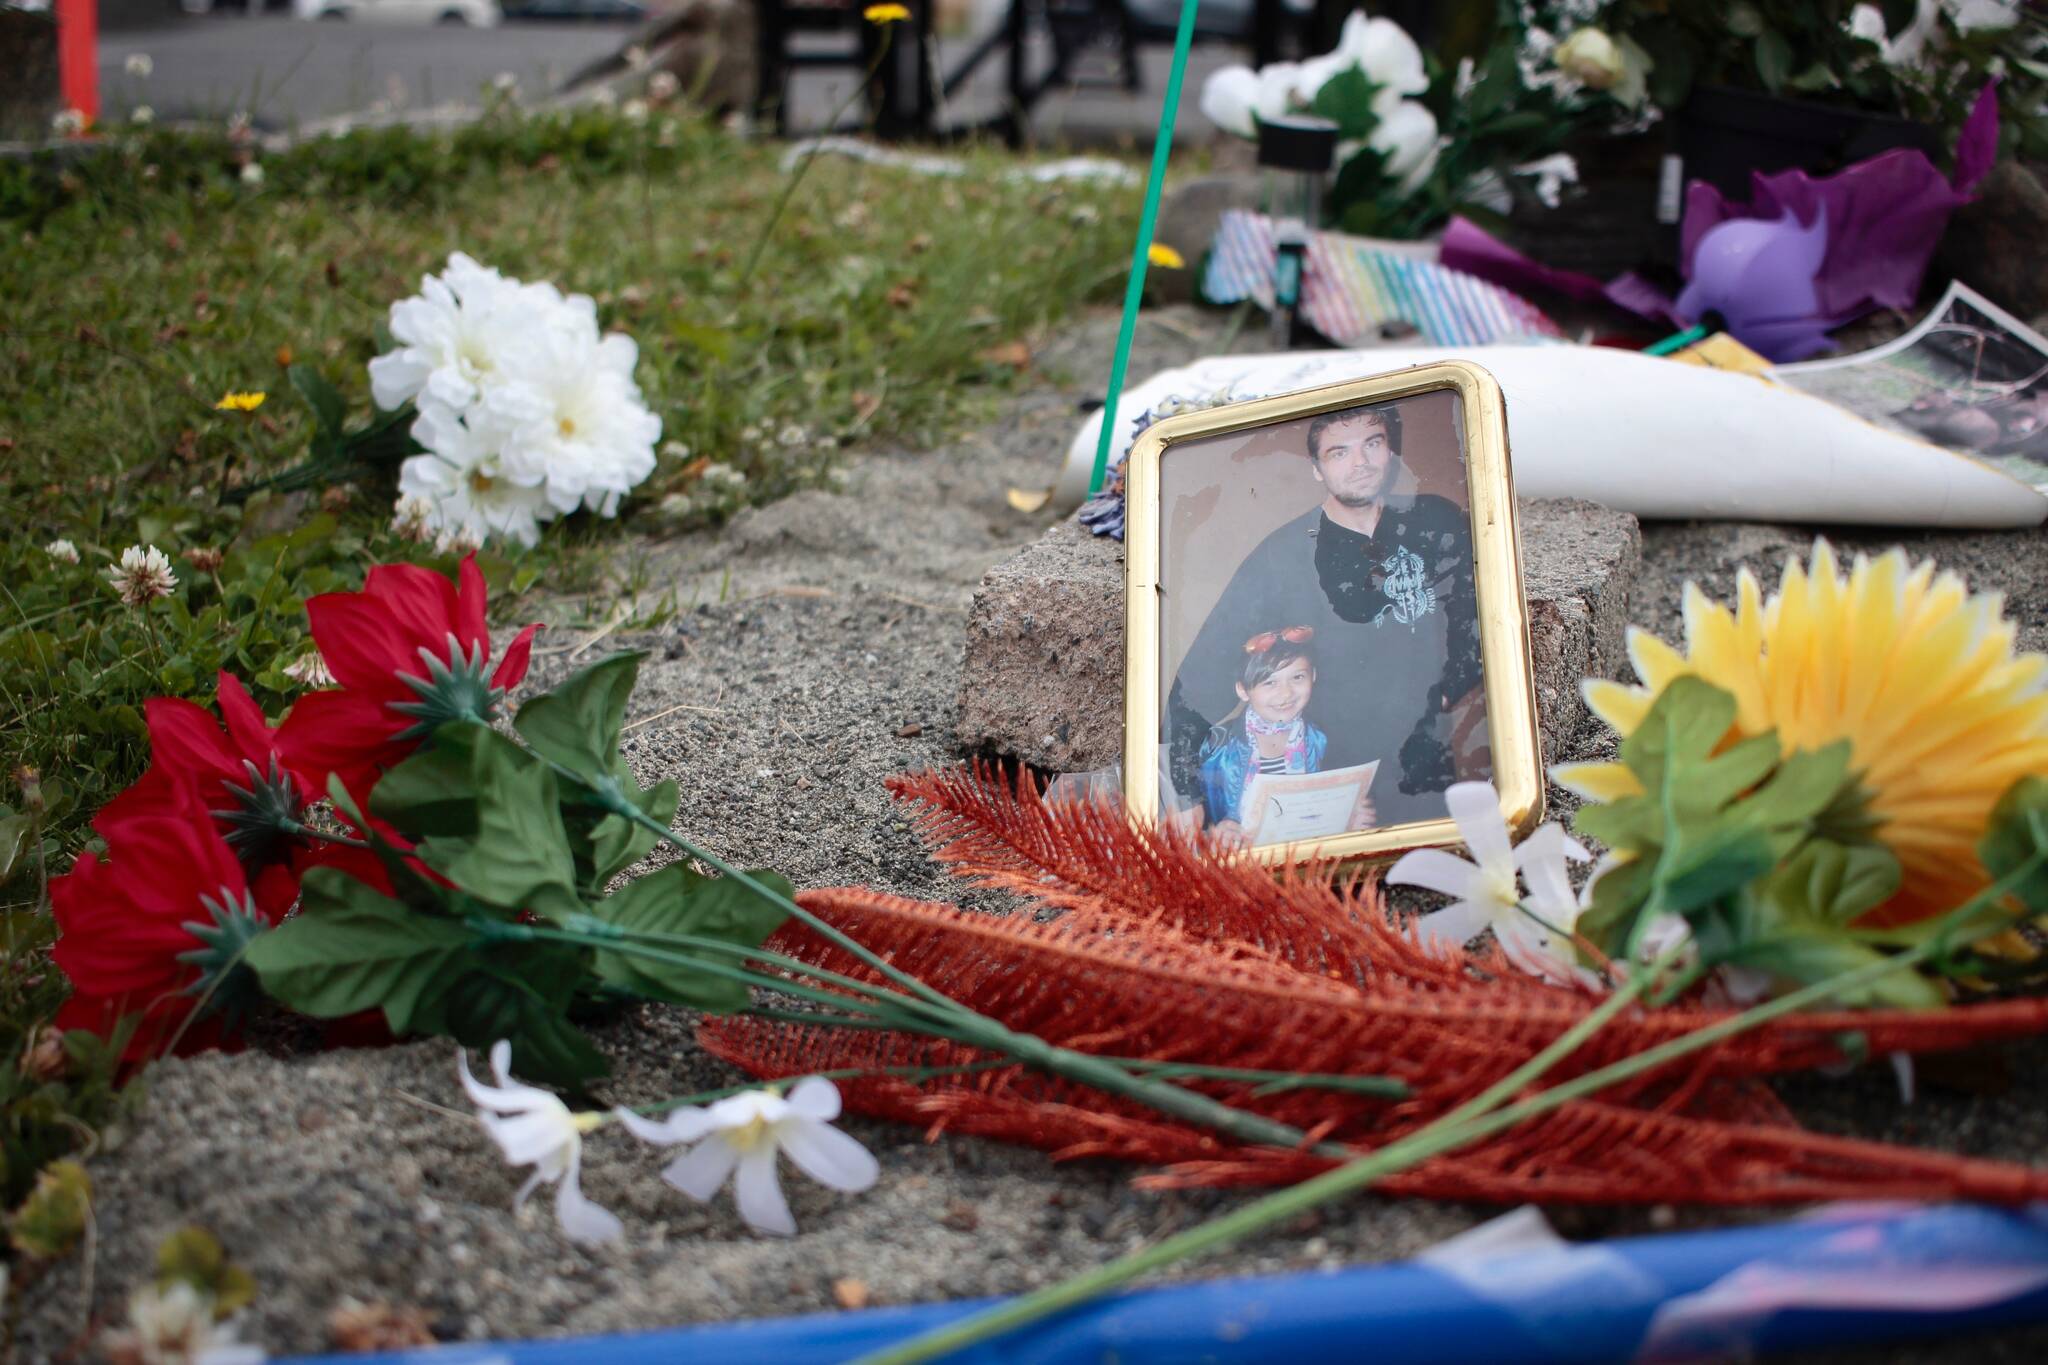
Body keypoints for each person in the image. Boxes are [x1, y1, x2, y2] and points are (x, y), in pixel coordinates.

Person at [1169, 402, 1483, 828]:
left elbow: (1480, 615)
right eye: (1339, 452)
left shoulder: (1436, 522)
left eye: (1372, 444)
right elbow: (1203, 675)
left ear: (1390, 452)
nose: (1360, 463)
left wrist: (1445, 689)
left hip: (1424, 759)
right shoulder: (1282, 556)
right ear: (1316, 468)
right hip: (1330, 771)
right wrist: (1186, 792)